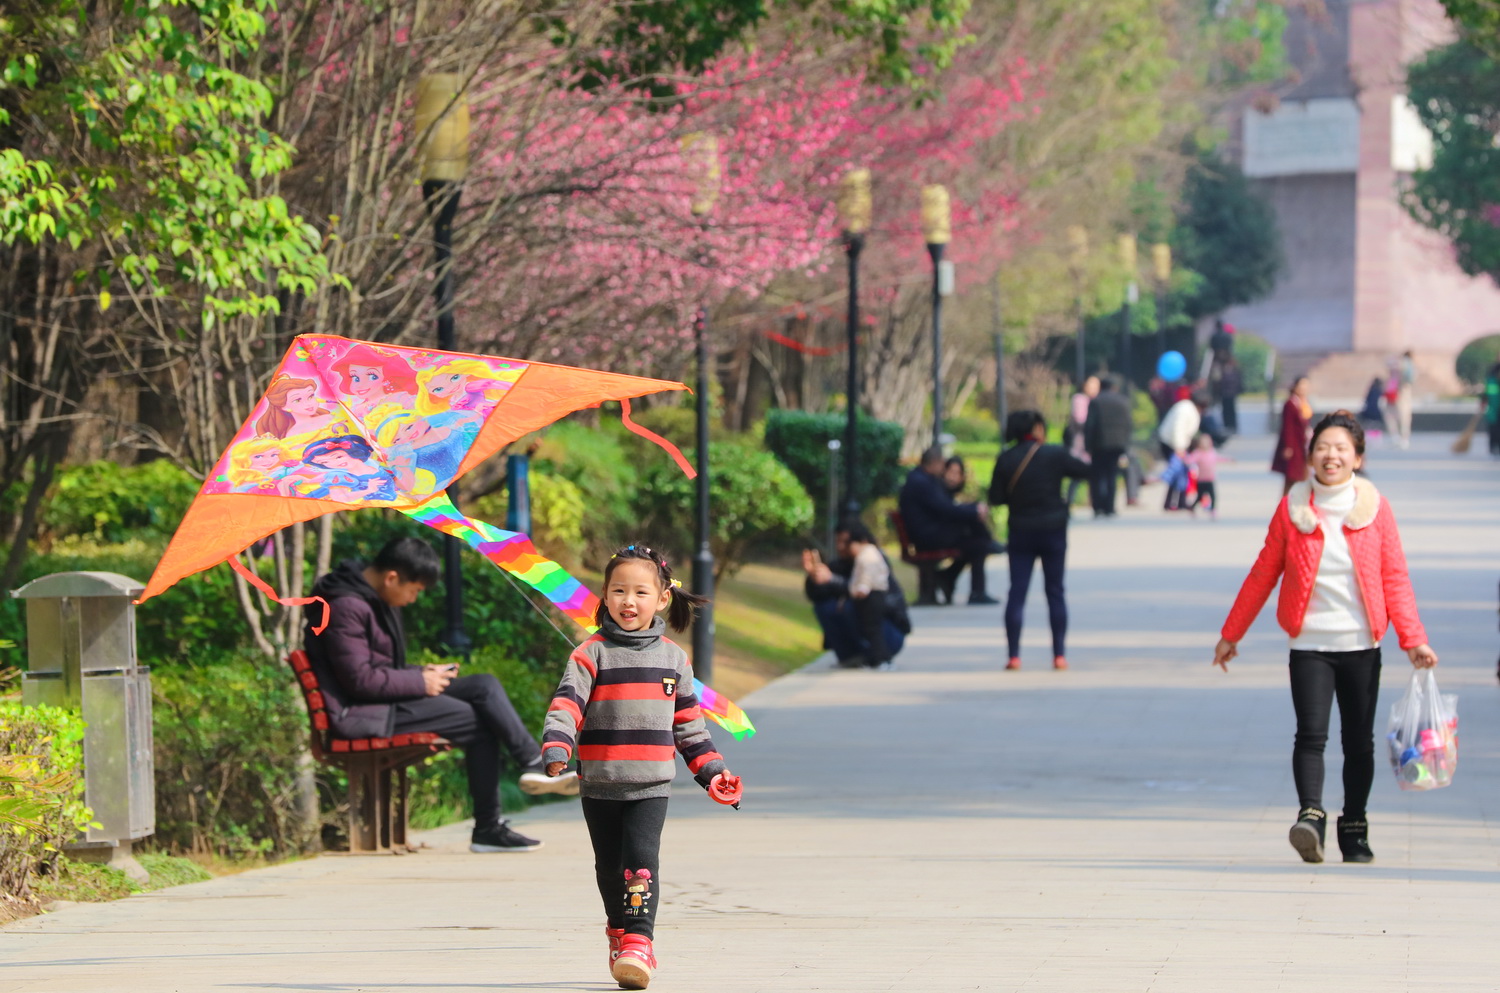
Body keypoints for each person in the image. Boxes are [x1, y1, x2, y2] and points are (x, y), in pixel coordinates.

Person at [1214, 411, 1437, 864]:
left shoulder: (1375, 509)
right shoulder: (1293, 507)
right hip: (1309, 643)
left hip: (1361, 644)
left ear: (1357, 457)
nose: (1330, 456)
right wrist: (1231, 633)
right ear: (1311, 456)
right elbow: (1263, 573)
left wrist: (1413, 639)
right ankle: (1310, 818)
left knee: (1359, 742)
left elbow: (1394, 576)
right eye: (1322, 448)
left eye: (1340, 449)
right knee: (1310, 736)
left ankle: (1354, 827)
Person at [540, 544, 737, 990]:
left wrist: (713, 771)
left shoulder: (674, 659)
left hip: (651, 786)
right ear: (604, 597)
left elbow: (690, 727)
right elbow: (566, 704)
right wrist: (558, 745)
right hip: (601, 784)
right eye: (618, 591)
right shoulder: (590, 654)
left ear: (662, 597)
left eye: (640, 592)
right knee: (609, 867)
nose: (629, 601)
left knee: (641, 862)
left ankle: (639, 941)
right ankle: (619, 930)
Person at [303, 537, 578, 855]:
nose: (413, 598)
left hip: (380, 702)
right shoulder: (347, 606)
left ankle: (533, 760)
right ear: (392, 577)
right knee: (477, 721)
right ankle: (488, 828)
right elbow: (359, 681)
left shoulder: (369, 598)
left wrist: (423, 673)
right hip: (361, 713)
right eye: (414, 590)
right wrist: (419, 681)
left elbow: (374, 668)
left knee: (484, 686)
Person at [988, 410, 1090, 671]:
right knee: (1055, 591)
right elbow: (1083, 471)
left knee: (1017, 592)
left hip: (1021, 530)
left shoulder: (1006, 458)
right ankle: (1059, 655)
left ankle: (1013, 656)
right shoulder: (1054, 454)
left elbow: (996, 498)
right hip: (1053, 530)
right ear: (1035, 429)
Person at [898, 446, 998, 605]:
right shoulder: (922, 482)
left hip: (927, 533)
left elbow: (945, 506)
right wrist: (974, 510)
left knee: (976, 540)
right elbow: (945, 508)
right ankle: (974, 589)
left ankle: (948, 577)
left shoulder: (922, 479)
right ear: (934, 463)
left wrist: (971, 509)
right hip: (927, 536)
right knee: (978, 543)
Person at [802, 522, 910, 667]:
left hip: (889, 629)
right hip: (867, 624)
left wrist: (832, 580)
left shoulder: (873, 560)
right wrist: (814, 577)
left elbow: (862, 590)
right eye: (838, 541)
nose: (840, 546)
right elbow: (818, 596)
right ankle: (850, 656)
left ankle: (878, 657)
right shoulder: (841, 564)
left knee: (851, 607)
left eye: (846, 542)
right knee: (825, 607)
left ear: (862, 541)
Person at [1083, 375, 1133, 517]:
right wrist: (1125, 445)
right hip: (1118, 444)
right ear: (1114, 387)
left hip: (1099, 444)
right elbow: (1128, 425)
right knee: (1112, 475)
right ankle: (1110, 507)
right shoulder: (1123, 401)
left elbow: (1090, 425)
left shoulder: (1096, 401)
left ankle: (1098, 507)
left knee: (1097, 476)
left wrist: (1088, 445)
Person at [1157, 389, 1209, 510]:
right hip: (1173, 444)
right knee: (1178, 474)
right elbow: (1178, 429)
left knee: (1181, 474)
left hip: (1177, 444)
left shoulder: (1187, 407)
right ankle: (1173, 502)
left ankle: (1178, 501)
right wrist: (1179, 448)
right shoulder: (1186, 409)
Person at [1272, 376, 1313, 496]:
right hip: (1294, 446)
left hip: (1303, 445)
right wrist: (1288, 447)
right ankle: (1285, 505)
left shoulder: (1303, 403)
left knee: (1302, 476)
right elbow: (1287, 427)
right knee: (1292, 477)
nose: (1303, 388)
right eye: (1301, 385)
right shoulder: (1290, 404)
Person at [1064, 376, 1099, 508]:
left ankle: (1093, 502)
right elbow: (1080, 420)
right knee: (1077, 474)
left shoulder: (1096, 401)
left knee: (1093, 474)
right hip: (1081, 442)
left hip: (1092, 442)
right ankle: (1070, 501)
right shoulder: (1079, 399)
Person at [1184, 432, 1230, 518]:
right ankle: (1191, 507)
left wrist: (1228, 460)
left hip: (1210, 479)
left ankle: (1213, 510)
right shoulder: (1197, 453)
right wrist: (1186, 461)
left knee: (1213, 496)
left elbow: (1218, 458)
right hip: (1201, 480)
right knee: (1200, 496)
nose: (1205, 445)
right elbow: (1189, 460)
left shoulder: (1211, 452)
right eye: (1203, 443)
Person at [1394, 350, 1416, 449]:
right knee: (1405, 415)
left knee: (1401, 415)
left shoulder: (1402, 364)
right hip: (1406, 390)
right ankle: (1404, 437)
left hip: (1401, 391)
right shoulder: (1410, 364)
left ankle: (1402, 437)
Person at [1216, 355, 1243, 435]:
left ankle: (1232, 425)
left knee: (1230, 410)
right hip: (1226, 393)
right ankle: (1228, 425)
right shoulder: (1224, 370)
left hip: (1229, 393)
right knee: (1226, 410)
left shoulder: (1233, 371)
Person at [1357, 377, 1386, 444]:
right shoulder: (1381, 391)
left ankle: (1369, 434)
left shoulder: (1371, 390)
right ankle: (1376, 434)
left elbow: (1366, 400)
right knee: (1378, 422)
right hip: (1377, 413)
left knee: (1367, 422)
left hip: (1368, 412)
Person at [1482, 361, 1500, 456]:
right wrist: (1483, 403)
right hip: (1493, 411)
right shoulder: (1491, 382)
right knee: (1493, 430)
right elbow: (1485, 395)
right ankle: (1493, 447)